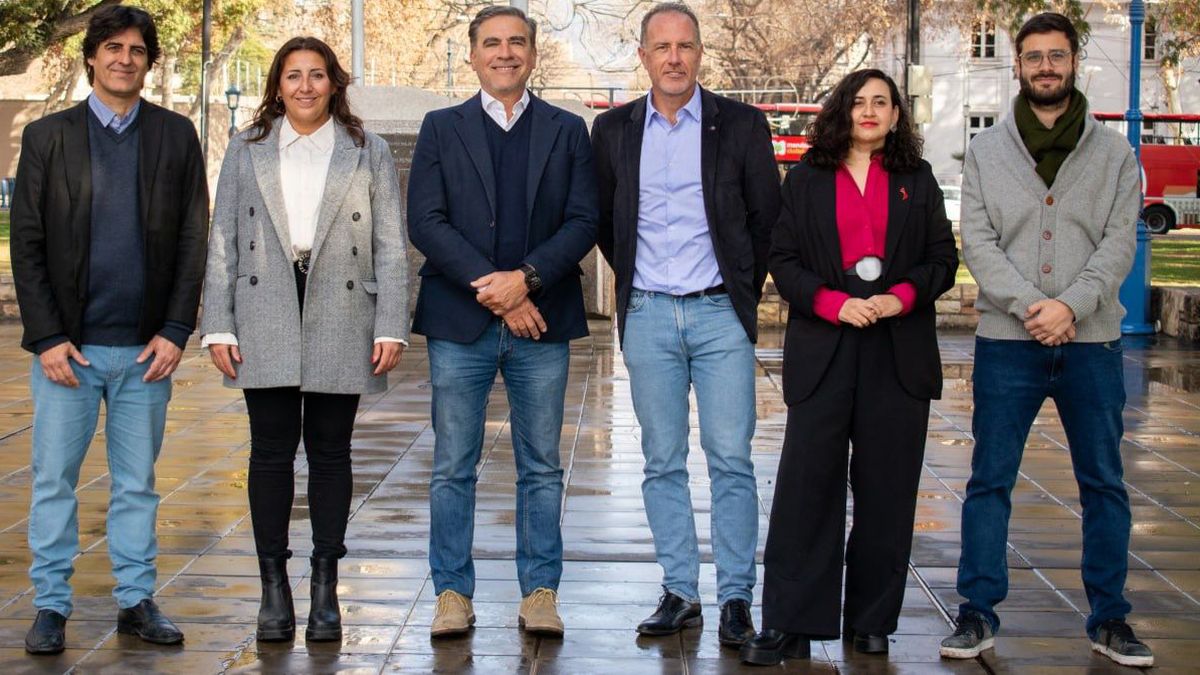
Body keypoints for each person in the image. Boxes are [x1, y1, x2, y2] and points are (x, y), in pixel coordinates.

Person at [940, 13, 1153, 668]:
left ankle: (1110, 616)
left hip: (1091, 343)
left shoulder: (1116, 154)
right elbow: (978, 242)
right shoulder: (985, 151)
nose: (1046, 67)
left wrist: (1073, 306)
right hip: (1009, 341)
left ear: (1074, 62)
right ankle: (977, 611)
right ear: (1019, 65)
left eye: (1057, 55)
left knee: (1104, 480)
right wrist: (1035, 306)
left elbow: (1120, 243)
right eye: (1034, 57)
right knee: (990, 478)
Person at [739, 69, 958, 666]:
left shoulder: (918, 178)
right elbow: (782, 259)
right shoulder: (808, 178)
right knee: (807, 490)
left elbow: (943, 258)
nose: (869, 111)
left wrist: (900, 297)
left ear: (895, 115)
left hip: (898, 351)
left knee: (888, 491)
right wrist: (836, 304)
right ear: (842, 111)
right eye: (859, 102)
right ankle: (790, 623)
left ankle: (871, 621)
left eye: (881, 103)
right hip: (825, 349)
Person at [10, 4, 208, 655]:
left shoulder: (176, 136)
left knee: (136, 484)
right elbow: (29, 241)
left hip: (146, 351)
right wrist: (46, 337)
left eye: (136, 49)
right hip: (68, 353)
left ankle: (135, 599)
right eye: (112, 47)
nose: (125, 58)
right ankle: (51, 605)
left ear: (149, 62)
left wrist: (177, 328)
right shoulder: (47, 137)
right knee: (54, 481)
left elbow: (192, 240)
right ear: (91, 57)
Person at [200, 36, 409, 643]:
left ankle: (324, 587)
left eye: (317, 75)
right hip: (264, 304)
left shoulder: (365, 149)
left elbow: (391, 244)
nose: (306, 87)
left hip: (341, 308)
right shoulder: (247, 149)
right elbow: (221, 246)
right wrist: (219, 321)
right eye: (293, 76)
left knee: (331, 452)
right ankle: (273, 589)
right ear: (277, 84)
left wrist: (391, 322)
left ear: (334, 84)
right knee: (268, 451)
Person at [590, 2, 780, 648]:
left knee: (730, 457)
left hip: (719, 312)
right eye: (661, 47)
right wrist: (642, 285)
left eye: (686, 46)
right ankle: (680, 587)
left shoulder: (743, 125)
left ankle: (735, 596)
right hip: (647, 314)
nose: (674, 57)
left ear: (701, 55)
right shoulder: (612, 131)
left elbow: (766, 220)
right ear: (642, 56)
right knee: (661, 458)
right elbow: (611, 224)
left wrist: (737, 293)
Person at [407, 5, 597, 639]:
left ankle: (540, 592)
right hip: (460, 323)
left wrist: (528, 282)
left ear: (534, 54)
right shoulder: (441, 127)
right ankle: (452, 594)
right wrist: (499, 292)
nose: (505, 52)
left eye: (517, 42)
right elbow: (426, 222)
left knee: (541, 464)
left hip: (542, 322)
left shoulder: (569, 131)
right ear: (473, 55)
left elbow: (583, 221)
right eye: (492, 43)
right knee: (452, 466)